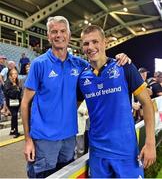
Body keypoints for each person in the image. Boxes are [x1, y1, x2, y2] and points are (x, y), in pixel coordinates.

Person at [21, 16, 131, 178]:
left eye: (62, 31)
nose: (58, 35)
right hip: (44, 141)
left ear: (69, 35)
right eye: (54, 32)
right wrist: (28, 140)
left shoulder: (79, 64)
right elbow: (25, 104)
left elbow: (101, 63)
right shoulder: (39, 64)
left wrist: (120, 59)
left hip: (69, 138)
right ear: (48, 36)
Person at [77, 25, 156, 178]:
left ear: (104, 42)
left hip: (126, 154)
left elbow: (147, 104)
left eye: (95, 41)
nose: (90, 47)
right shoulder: (82, 78)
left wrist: (150, 142)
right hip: (98, 156)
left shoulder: (123, 67)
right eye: (86, 43)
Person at [3, 68, 22, 138]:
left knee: (14, 116)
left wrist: (17, 89)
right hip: (11, 102)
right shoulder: (8, 82)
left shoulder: (17, 81)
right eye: (13, 74)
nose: (15, 75)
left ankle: (12, 130)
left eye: (16, 74)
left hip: (17, 102)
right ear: (10, 75)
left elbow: (20, 90)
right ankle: (16, 131)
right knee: (15, 115)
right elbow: (8, 93)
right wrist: (15, 87)